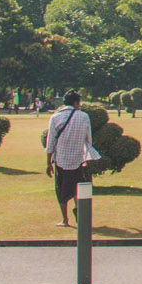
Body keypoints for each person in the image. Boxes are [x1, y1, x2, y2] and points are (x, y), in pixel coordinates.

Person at [45, 90, 99, 227]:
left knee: (61, 190)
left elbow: (50, 141)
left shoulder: (56, 117)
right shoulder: (84, 116)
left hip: (61, 160)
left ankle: (65, 220)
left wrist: (48, 163)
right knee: (77, 189)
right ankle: (79, 215)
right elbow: (88, 139)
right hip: (77, 159)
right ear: (75, 103)